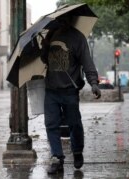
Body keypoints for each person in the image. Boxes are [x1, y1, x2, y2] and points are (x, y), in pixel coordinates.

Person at [40, 17, 101, 174]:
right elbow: (43, 59)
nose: (63, 23)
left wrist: (93, 82)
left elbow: (87, 62)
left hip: (70, 91)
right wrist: (45, 47)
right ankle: (57, 158)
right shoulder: (51, 35)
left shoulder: (78, 38)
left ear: (72, 21)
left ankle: (77, 151)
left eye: (66, 20)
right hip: (51, 90)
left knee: (74, 124)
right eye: (61, 21)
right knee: (51, 124)